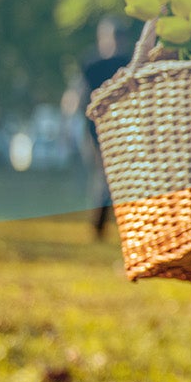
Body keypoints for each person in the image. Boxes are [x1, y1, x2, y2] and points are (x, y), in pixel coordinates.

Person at [73, 15, 131, 238]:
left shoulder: (128, 63)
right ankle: (99, 225)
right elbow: (80, 94)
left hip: (124, 129)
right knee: (105, 175)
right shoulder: (92, 64)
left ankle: (108, 224)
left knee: (113, 177)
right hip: (96, 129)